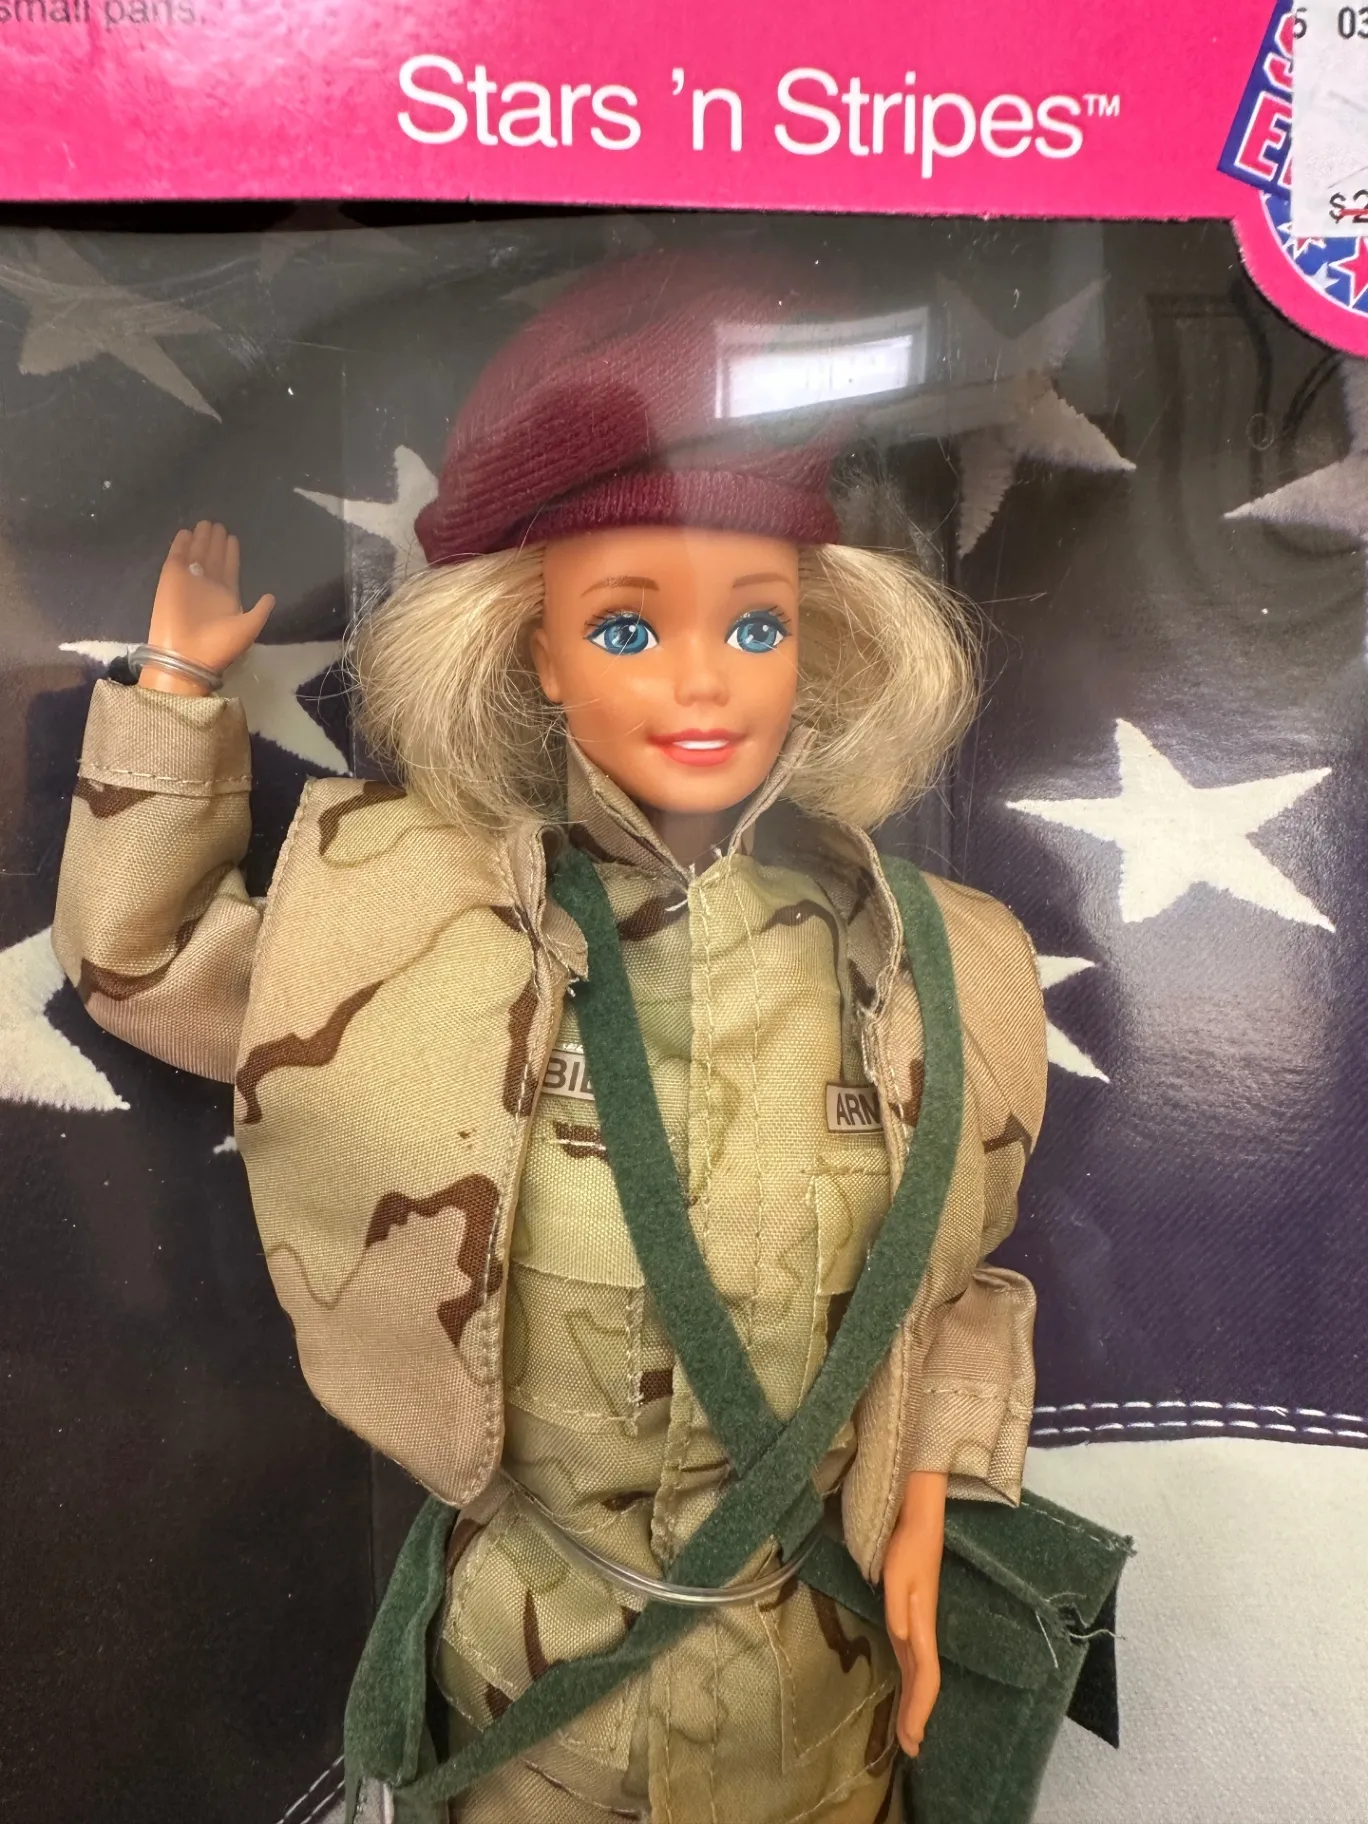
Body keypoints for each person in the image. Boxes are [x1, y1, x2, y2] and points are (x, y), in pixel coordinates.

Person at [52, 256, 1049, 1823]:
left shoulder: (941, 958)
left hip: (816, 1704)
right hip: (534, 1692)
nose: (705, 679)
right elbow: (146, 962)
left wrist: (930, 1484)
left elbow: (960, 1280)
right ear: (536, 652)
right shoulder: (409, 910)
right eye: (628, 627)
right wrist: (173, 694)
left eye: (758, 621)